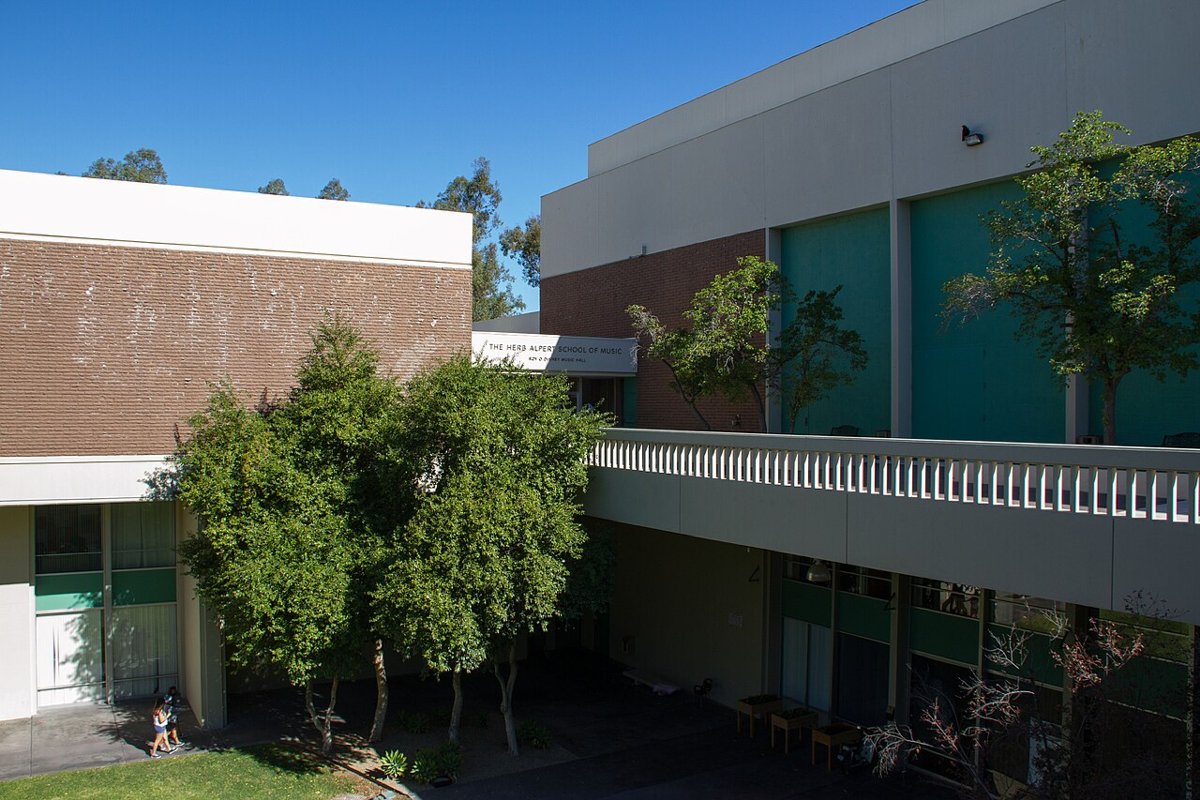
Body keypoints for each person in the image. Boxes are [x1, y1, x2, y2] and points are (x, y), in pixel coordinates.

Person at [162, 686, 184, 750]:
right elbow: (171, 709)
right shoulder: (170, 698)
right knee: (172, 727)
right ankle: (174, 739)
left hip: (171, 714)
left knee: (172, 727)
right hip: (171, 715)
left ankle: (175, 738)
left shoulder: (168, 697)